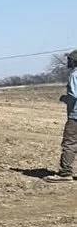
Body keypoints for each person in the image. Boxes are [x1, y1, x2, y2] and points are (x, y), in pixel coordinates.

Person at [45, 50, 77, 183]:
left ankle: (65, 173)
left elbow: (74, 95)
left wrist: (64, 98)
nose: (67, 62)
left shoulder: (74, 75)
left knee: (69, 143)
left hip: (75, 115)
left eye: (69, 59)